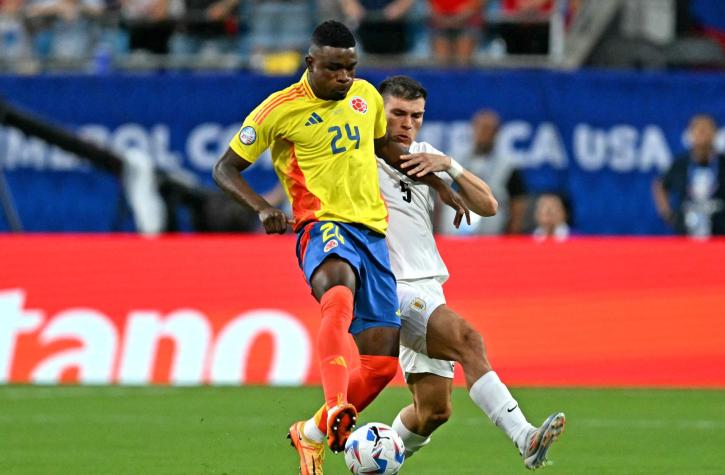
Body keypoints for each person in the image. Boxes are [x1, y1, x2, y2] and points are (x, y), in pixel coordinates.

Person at [212, 20, 469, 475]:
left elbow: (386, 151)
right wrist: (260, 208)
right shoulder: (278, 110)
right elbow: (225, 169)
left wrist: (438, 185)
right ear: (310, 63)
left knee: (379, 366)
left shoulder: (366, 97)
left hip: (373, 235)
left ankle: (309, 433)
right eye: (333, 68)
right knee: (338, 294)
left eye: (350, 67)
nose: (344, 77)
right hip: (322, 226)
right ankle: (335, 407)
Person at [377, 75, 565, 470]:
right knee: (469, 340)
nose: (408, 124)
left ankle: (376, 460)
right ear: (379, 112)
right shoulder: (360, 157)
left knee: (433, 412)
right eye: (398, 114)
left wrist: (449, 165)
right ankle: (525, 437)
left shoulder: (424, 154)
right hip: (391, 286)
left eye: (416, 116)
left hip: (429, 286)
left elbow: (489, 206)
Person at [445, 108, 529, 235]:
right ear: (473, 129)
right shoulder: (452, 161)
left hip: (492, 239)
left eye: (490, 129)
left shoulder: (508, 166)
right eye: (481, 128)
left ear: (497, 133)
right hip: (452, 237)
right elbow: (440, 198)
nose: (484, 133)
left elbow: (517, 202)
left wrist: (513, 235)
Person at [339, 0, 415, 55]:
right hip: (363, 30)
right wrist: (351, 5)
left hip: (396, 31)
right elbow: (349, 4)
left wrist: (399, 7)